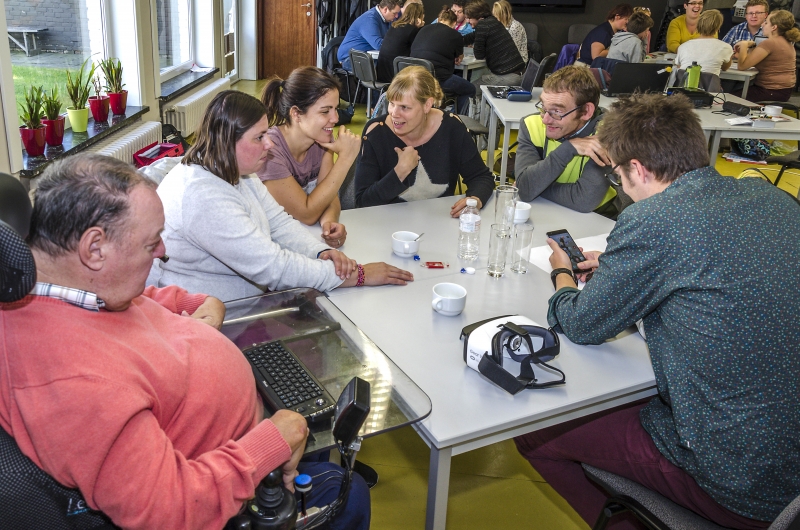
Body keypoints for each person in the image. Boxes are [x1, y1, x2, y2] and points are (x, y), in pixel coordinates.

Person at [0, 153, 371, 530]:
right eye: (150, 244)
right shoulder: (72, 382)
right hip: (229, 481)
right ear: (94, 248)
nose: (163, 251)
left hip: (242, 433)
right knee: (349, 492)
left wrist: (195, 302)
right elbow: (168, 508)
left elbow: (137, 304)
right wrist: (271, 441)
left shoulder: (58, 285)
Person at [514, 92, 800, 530]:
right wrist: (621, 272)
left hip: (742, 477)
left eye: (617, 176)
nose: (621, 187)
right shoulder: (773, 199)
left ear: (639, 170)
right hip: (788, 453)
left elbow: (579, 323)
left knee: (537, 430)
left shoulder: (657, 220)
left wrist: (562, 275)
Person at [149, 90, 413, 303]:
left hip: (245, 303)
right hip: (217, 318)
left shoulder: (237, 170)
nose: (269, 143)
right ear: (228, 141)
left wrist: (320, 252)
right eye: (260, 137)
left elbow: (278, 224)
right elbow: (273, 267)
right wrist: (359, 274)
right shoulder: (203, 197)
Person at [354, 65, 494, 214]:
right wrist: (400, 172)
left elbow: (480, 177)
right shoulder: (376, 133)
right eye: (392, 104)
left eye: (405, 107)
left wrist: (475, 200)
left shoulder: (451, 128)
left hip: (437, 223)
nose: (394, 113)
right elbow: (362, 202)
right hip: (387, 226)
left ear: (427, 105)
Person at [257, 67, 358, 250]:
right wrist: (345, 159)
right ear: (296, 114)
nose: (335, 118)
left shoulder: (320, 140)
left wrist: (329, 222)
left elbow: (329, 192)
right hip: (271, 246)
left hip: (303, 239)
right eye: (325, 111)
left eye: (335, 109)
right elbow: (307, 213)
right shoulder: (270, 151)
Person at [514, 66, 629, 218]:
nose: (545, 119)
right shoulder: (531, 125)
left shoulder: (607, 134)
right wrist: (569, 148)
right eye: (543, 107)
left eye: (557, 111)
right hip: (543, 211)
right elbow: (526, 189)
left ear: (586, 111)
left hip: (597, 219)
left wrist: (533, 187)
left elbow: (584, 200)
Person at [411, 5, 476, 114]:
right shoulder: (455, 35)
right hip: (438, 78)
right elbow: (458, 59)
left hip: (415, 75)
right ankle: (456, 119)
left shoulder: (423, 29)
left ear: (440, 19)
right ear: (454, 23)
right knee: (469, 89)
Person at [733, 9, 799, 102]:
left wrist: (744, 44)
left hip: (770, 91)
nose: (762, 25)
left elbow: (742, 66)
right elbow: (753, 60)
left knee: (729, 97)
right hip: (783, 91)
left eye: (766, 22)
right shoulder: (786, 41)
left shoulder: (770, 43)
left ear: (774, 27)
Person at [463, 0, 525, 93]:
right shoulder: (493, 22)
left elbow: (479, 55)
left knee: (469, 90)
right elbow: (469, 38)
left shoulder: (482, 25)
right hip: (517, 75)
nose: (467, 21)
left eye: (469, 18)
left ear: (479, 18)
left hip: (505, 77)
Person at [337, 0, 403, 71]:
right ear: (385, 9)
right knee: (388, 69)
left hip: (366, 56)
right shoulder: (369, 19)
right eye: (395, 13)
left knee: (395, 66)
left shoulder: (387, 20)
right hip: (349, 59)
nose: (396, 16)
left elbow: (390, 40)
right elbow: (378, 45)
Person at [674, 10, 733, 76]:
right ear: (718, 27)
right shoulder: (725, 47)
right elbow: (725, 67)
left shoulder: (683, 47)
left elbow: (679, 67)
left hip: (684, 85)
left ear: (698, 25)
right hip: (709, 85)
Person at [377, 2, 424, 82]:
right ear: (420, 16)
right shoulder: (412, 30)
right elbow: (418, 51)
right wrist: (420, 28)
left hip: (381, 73)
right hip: (396, 77)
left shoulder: (394, 26)